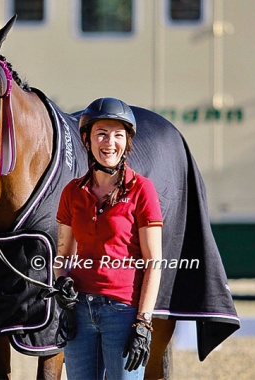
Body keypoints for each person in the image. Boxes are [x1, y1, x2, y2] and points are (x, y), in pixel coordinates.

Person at [54, 97, 164, 380]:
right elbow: (63, 255)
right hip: (78, 311)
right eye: (101, 133)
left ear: (127, 142)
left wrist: (143, 323)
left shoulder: (143, 190)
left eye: (118, 135)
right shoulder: (72, 192)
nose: (109, 142)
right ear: (87, 140)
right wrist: (61, 281)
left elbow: (154, 262)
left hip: (123, 313)